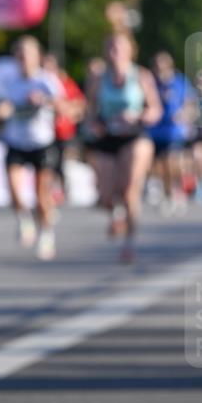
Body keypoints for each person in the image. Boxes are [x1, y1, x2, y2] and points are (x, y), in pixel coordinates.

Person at [86, 32, 161, 262]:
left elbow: (155, 109)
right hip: (108, 137)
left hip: (135, 136)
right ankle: (115, 213)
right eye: (110, 47)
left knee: (129, 190)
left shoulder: (141, 76)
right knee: (106, 194)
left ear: (130, 50)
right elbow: (89, 112)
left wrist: (139, 116)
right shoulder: (99, 78)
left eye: (118, 48)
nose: (114, 52)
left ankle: (129, 242)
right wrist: (94, 125)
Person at [0, 36, 63, 260]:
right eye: (20, 54)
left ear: (37, 57)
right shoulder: (11, 82)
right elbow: (2, 108)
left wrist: (44, 100)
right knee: (14, 189)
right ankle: (24, 221)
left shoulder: (46, 81)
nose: (23, 58)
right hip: (16, 141)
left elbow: (65, 106)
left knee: (41, 194)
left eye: (28, 54)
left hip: (41, 142)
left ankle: (46, 232)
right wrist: (1, 113)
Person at [149, 51, 196, 214]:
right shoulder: (151, 83)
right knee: (157, 166)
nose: (160, 69)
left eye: (163, 65)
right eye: (157, 66)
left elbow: (190, 102)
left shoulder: (180, 81)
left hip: (174, 131)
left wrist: (184, 114)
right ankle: (165, 192)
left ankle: (175, 192)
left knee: (171, 163)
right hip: (155, 130)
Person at [42, 53, 86, 203]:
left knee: (59, 162)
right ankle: (50, 193)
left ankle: (60, 189)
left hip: (63, 132)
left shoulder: (65, 83)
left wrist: (67, 110)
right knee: (48, 164)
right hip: (45, 132)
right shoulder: (39, 83)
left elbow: (79, 104)